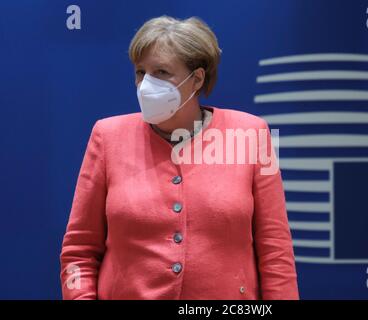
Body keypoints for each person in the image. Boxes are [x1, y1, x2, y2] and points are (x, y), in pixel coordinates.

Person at [59, 15, 299, 300]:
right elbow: (78, 251)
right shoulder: (107, 135)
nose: (146, 84)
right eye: (140, 72)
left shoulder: (252, 133)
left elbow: (275, 251)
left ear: (197, 78)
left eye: (161, 72)